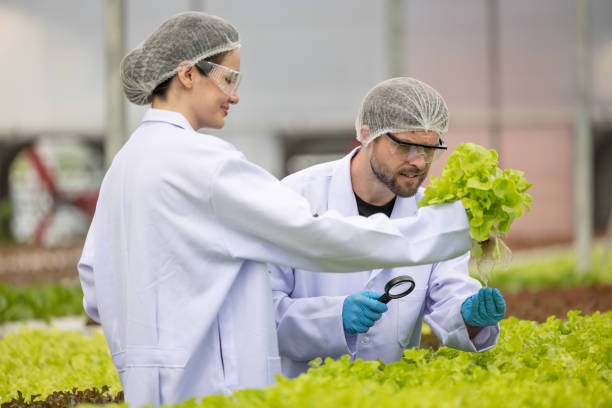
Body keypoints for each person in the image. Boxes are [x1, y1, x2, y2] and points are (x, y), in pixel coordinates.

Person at [77, 13, 472, 407]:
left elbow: (95, 286)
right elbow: (312, 235)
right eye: (228, 79)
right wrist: (446, 227)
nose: (234, 95)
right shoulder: (206, 165)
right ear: (187, 74)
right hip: (211, 387)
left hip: (149, 386)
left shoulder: (125, 164)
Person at [270, 77, 506, 378]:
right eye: (405, 146)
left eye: (430, 149)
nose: (419, 162)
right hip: (303, 393)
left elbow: (448, 296)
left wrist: (470, 315)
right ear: (367, 135)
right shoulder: (295, 197)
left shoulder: (432, 214)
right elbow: (263, 312)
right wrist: (332, 318)